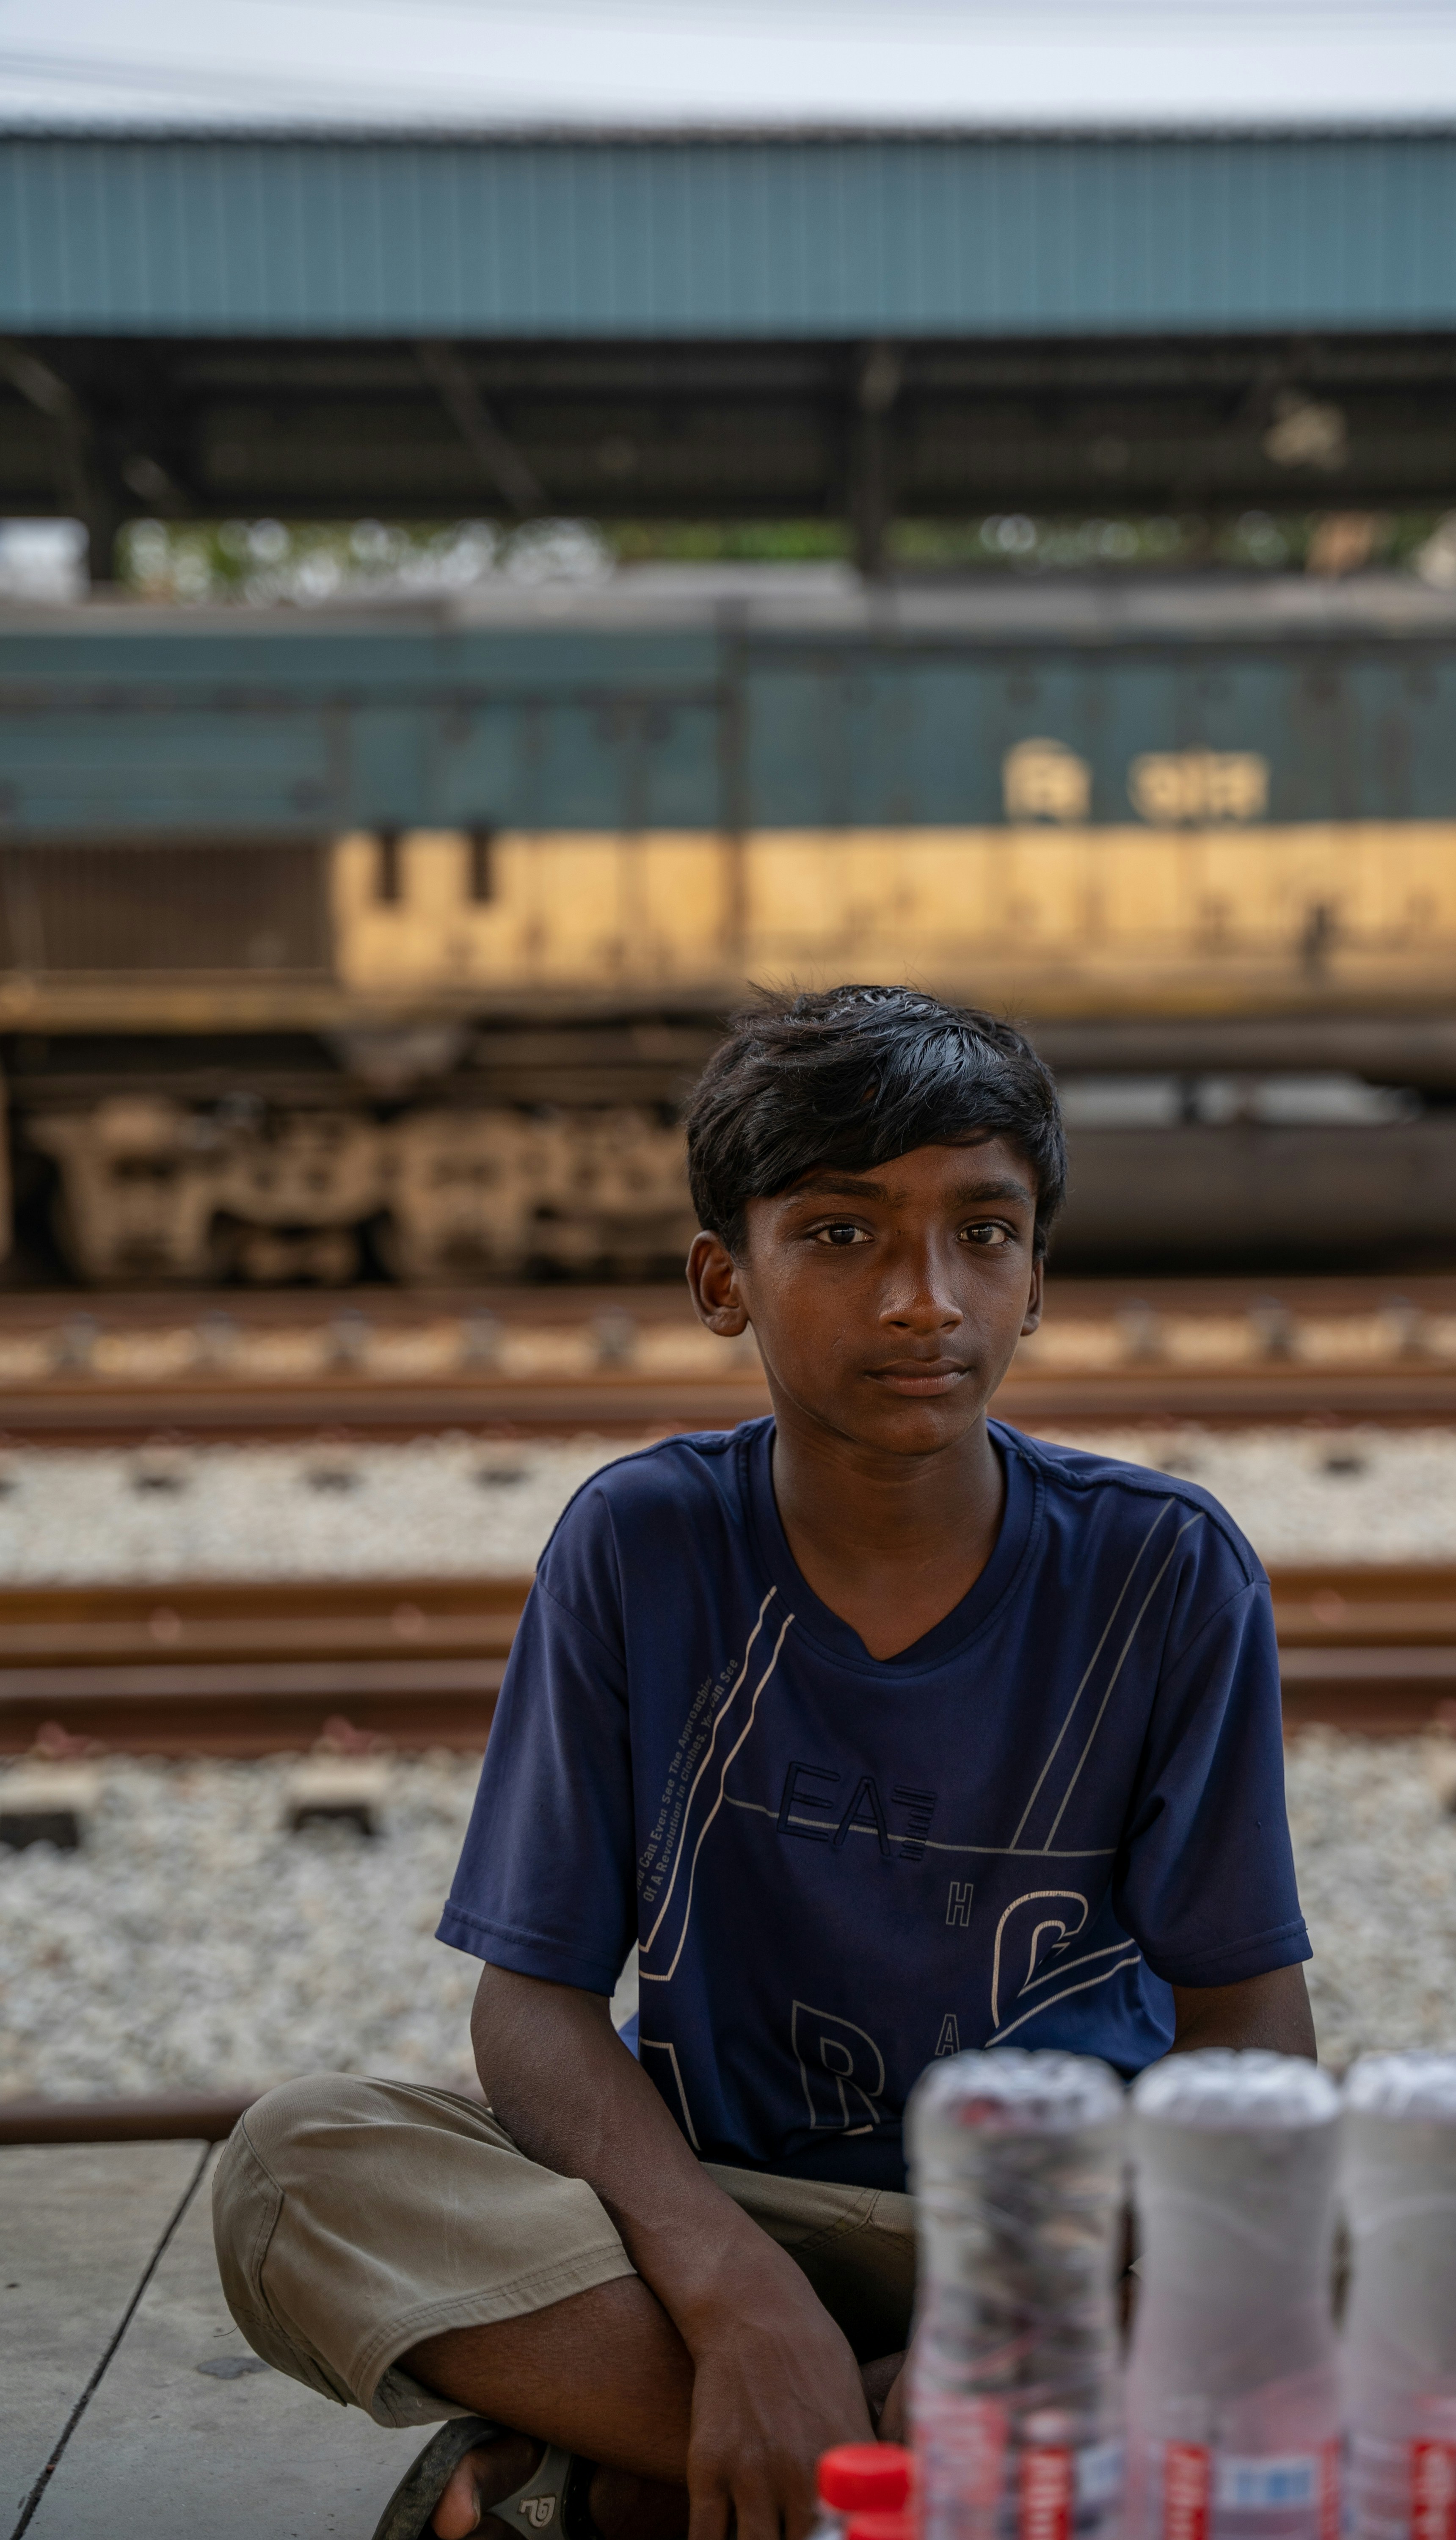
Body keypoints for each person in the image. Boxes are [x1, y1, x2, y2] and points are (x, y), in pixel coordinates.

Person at [212, 983, 1322, 2540]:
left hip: (1071, 2230)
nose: (925, 1299)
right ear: (722, 1279)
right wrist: (735, 2295)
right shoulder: (642, 1543)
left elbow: (1249, 2023)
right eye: (844, 1235)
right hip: (733, 2209)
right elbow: (531, 2005)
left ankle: (649, 2479)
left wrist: (1053, 2298)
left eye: (983, 1234)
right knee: (297, 2166)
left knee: (1447, 2226)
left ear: (1038, 1277)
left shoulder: (1165, 1569)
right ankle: (920, 2463)